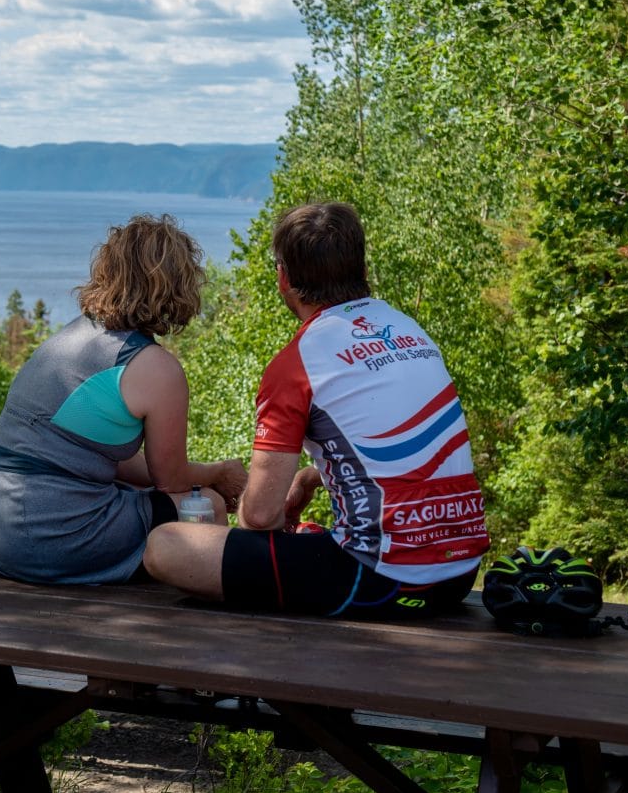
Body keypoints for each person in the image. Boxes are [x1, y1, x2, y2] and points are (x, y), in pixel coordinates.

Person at [143, 202, 487, 617]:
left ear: (283, 278)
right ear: (360, 267)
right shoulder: (408, 331)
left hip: (379, 580)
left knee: (165, 545)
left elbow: (258, 517)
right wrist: (311, 476)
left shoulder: (297, 363)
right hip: (457, 574)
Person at [0, 214, 248, 585]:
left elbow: (114, 463)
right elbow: (172, 480)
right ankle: (193, 623)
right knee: (203, 504)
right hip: (46, 533)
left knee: (142, 494)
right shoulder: (155, 367)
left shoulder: (68, 342)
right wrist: (220, 474)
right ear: (177, 284)